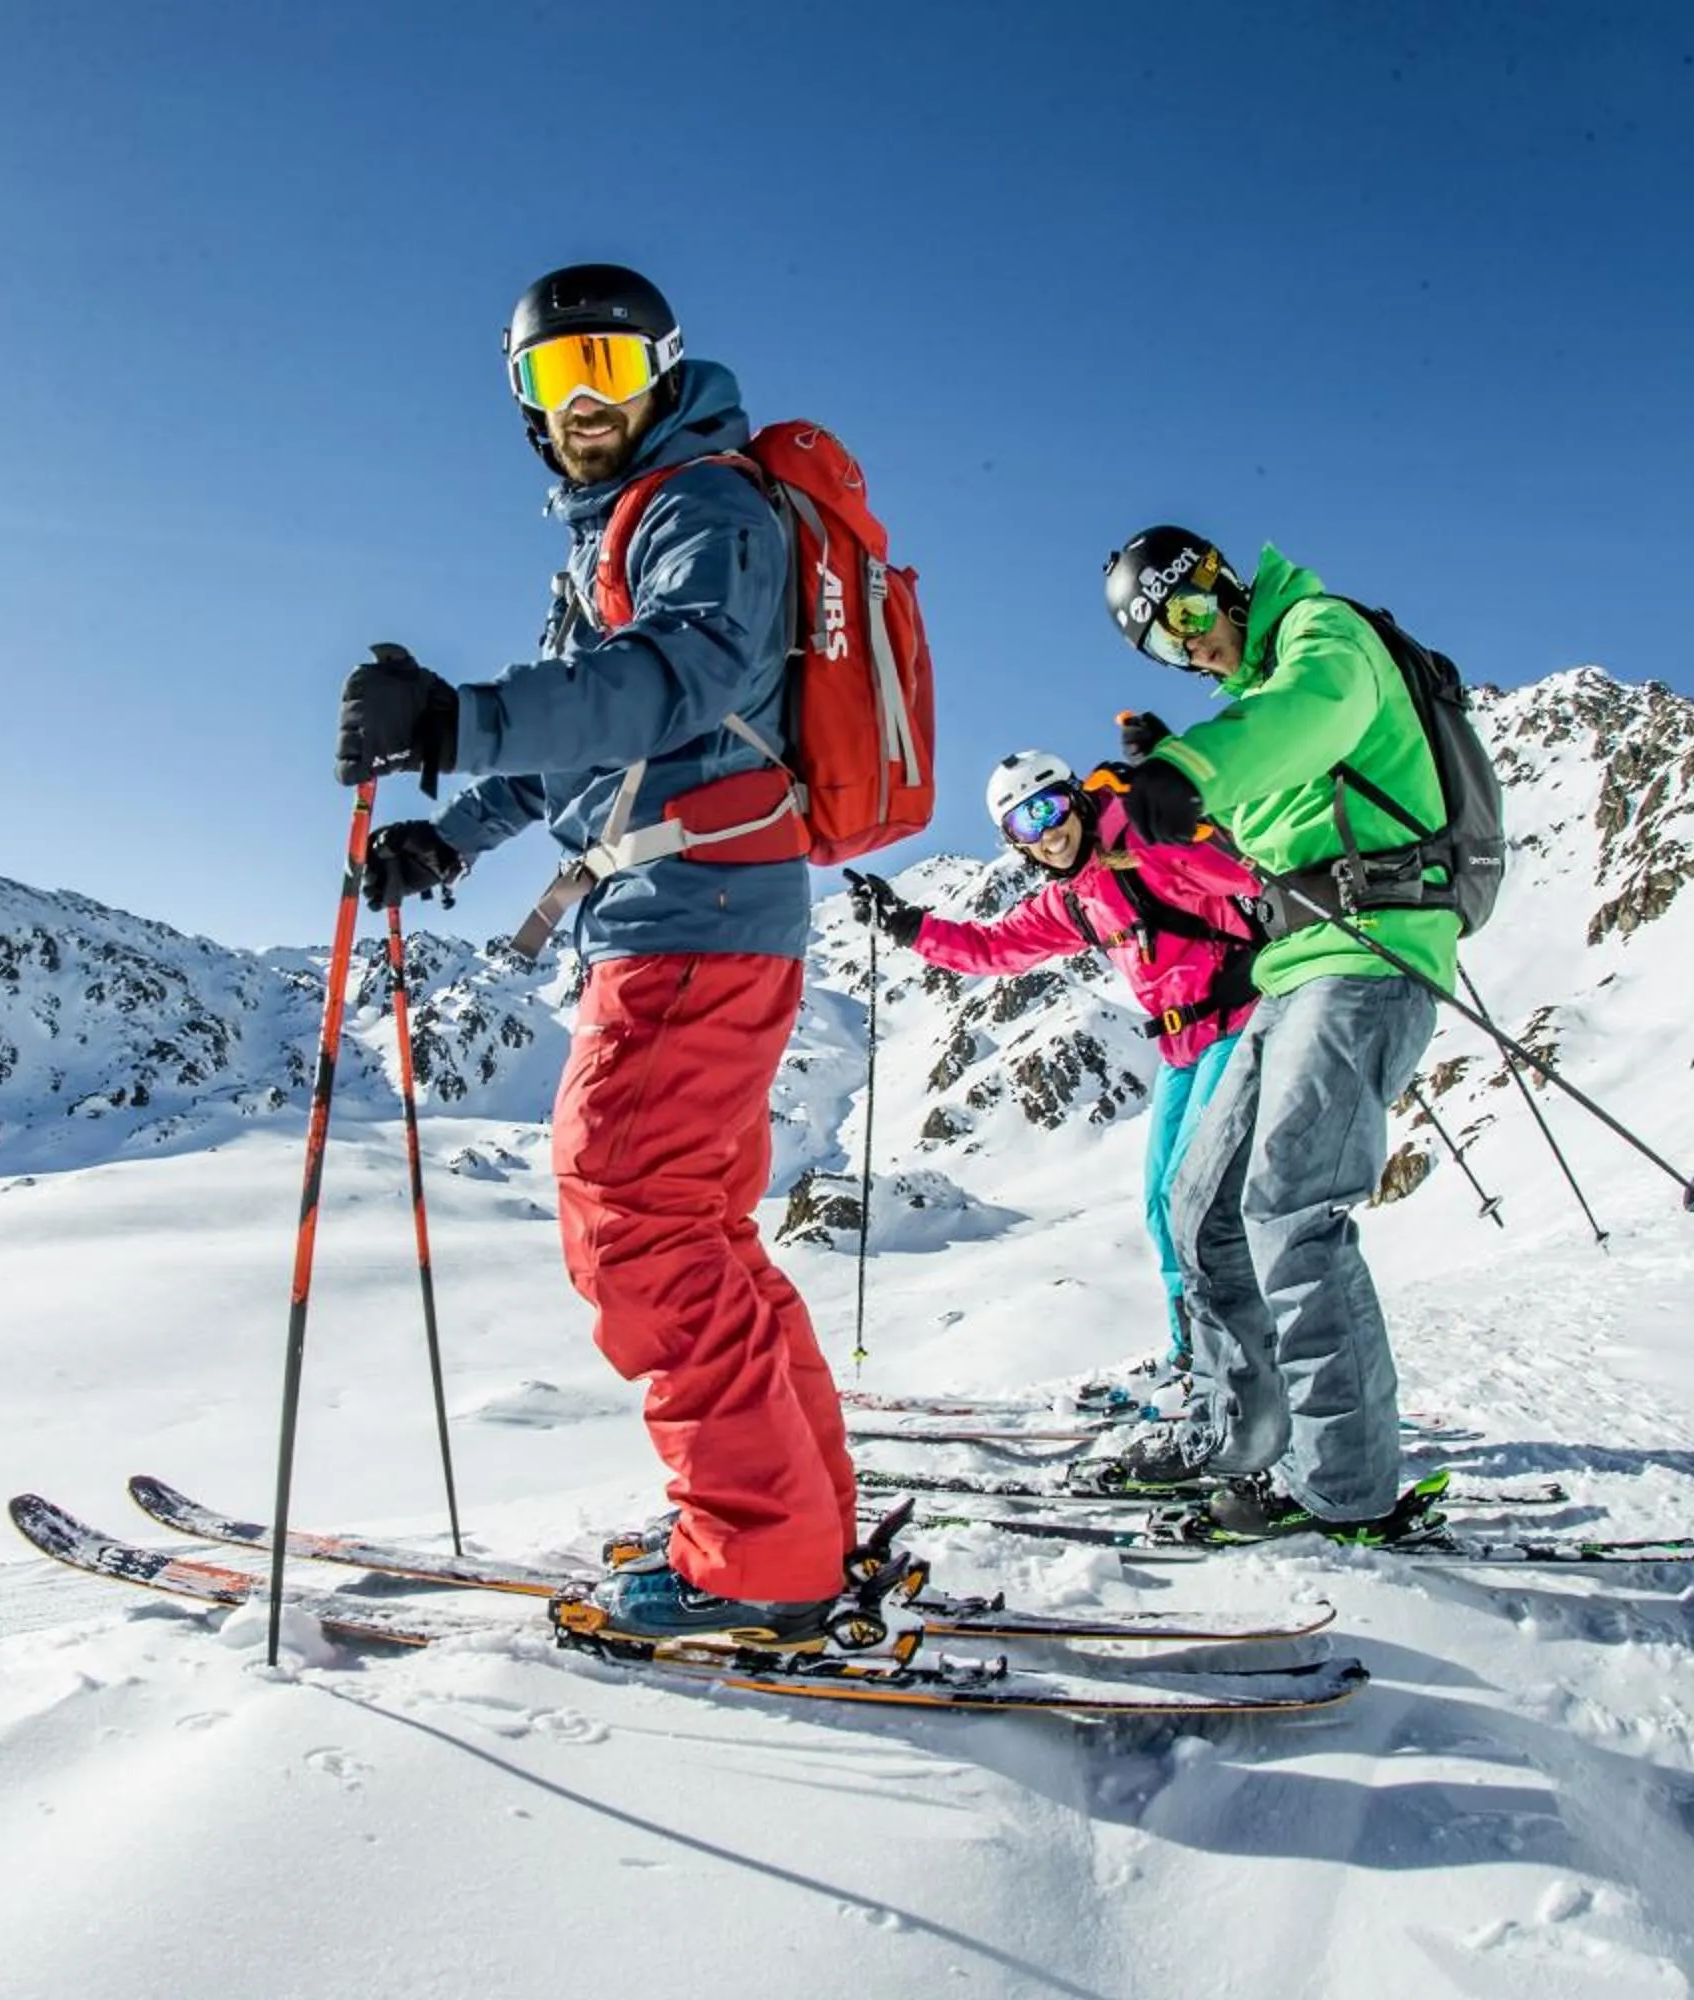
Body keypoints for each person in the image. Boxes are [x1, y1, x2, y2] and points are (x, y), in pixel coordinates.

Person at [329, 263, 857, 1646]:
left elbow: (669, 680)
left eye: (608, 371)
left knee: (634, 1219)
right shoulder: (623, 526)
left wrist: (453, 719)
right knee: (698, 1226)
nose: (582, 404)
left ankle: (761, 1557)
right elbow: (589, 733)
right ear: (522, 402)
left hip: (699, 919)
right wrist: (449, 834)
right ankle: (796, 1514)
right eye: (554, 380)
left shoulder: (705, 504)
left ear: (664, 371)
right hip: (689, 909)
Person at [1088, 525, 1457, 1542]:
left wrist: (1190, 768)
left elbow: (1316, 713)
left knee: (1292, 1207)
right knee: (1201, 1207)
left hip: (1371, 953)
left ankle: (1346, 1490)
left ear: (1219, 582)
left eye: (1192, 616)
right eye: (1164, 643)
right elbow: (1257, 836)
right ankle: (1244, 1439)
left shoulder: (1321, 634)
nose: (1190, 644)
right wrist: (1183, 794)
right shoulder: (1254, 699)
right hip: (1296, 967)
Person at [843, 745, 1261, 1394]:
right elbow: (995, 948)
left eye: (1049, 808)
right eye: (1023, 826)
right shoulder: (1077, 897)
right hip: (1181, 1053)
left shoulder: (1145, 841)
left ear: (1075, 797)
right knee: (1161, 1206)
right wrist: (904, 924)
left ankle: (1228, 1369)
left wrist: (1198, 826)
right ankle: (1194, 1355)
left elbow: (1245, 873)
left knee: (1195, 1204)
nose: (1045, 832)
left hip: (1238, 1025)